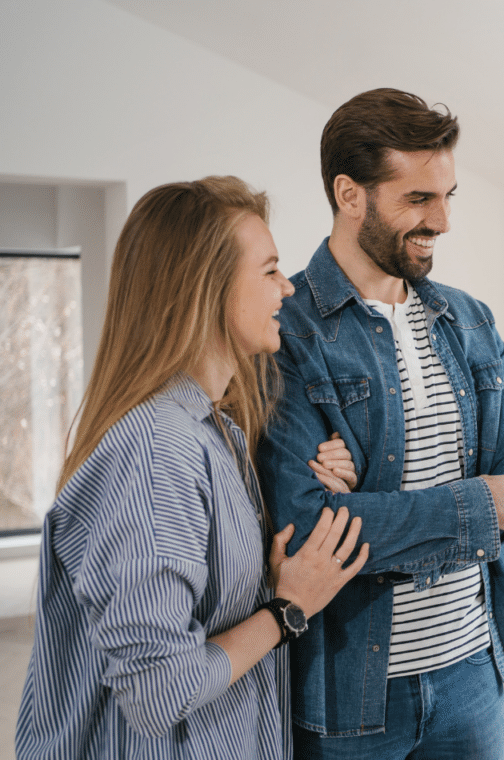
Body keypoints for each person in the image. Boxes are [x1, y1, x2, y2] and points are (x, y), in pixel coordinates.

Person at [15, 176, 370, 759]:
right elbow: (160, 689)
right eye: (269, 270)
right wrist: (287, 610)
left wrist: (315, 485)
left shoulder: (217, 430)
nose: (287, 288)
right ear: (208, 289)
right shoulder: (157, 451)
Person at [256, 88, 504, 759]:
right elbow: (306, 530)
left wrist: (369, 509)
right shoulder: (288, 329)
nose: (443, 220)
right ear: (349, 193)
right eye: (419, 199)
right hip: (353, 690)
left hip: (474, 669)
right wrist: (480, 506)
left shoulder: (469, 319)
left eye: (449, 195)